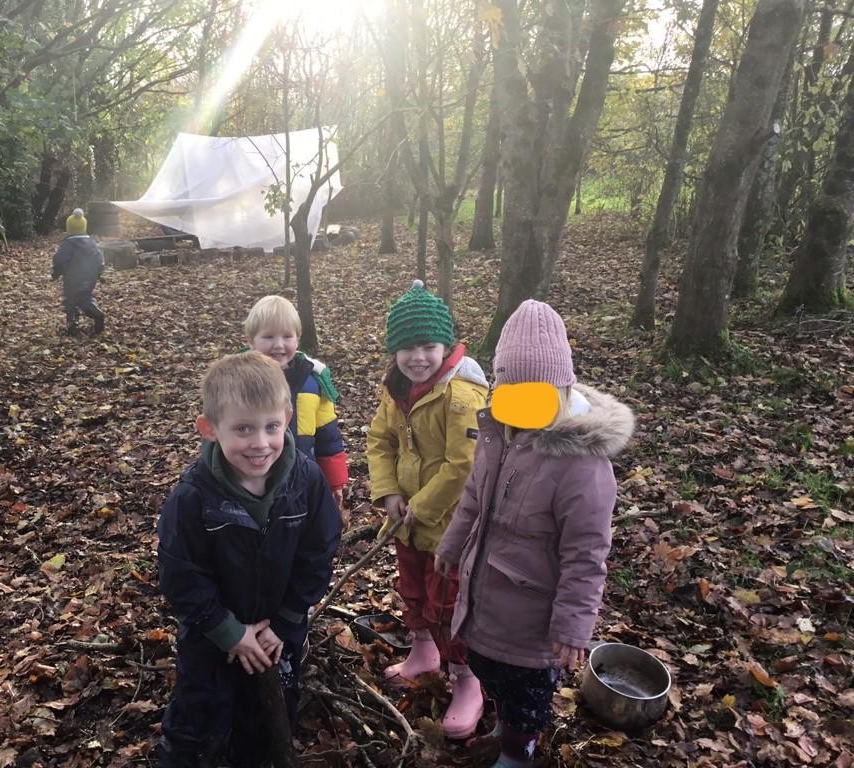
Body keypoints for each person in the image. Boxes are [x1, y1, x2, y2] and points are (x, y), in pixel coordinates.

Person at [434, 300, 635, 767]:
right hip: (488, 600)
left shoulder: (581, 466)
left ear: (560, 389)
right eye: (511, 388)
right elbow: (472, 499)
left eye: (536, 392)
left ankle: (518, 752)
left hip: (534, 621)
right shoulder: (496, 437)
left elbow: (586, 553)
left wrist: (572, 624)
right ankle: (505, 726)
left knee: (526, 697)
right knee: (493, 673)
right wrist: (450, 544)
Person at [156, 351, 342, 768]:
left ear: (288, 419)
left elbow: (320, 549)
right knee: (198, 719)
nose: (260, 443)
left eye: (271, 427)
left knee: (270, 721)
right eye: (242, 429)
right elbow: (180, 572)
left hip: (280, 633)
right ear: (209, 429)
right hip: (211, 638)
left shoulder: (306, 481)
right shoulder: (193, 496)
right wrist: (227, 630)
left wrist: (288, 618)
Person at [366, 279, 489, 739]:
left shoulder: (462, 393)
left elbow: (464, 463)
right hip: (407, 521)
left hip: (451, 526)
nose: (417, 357)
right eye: (406, 348)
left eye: (427, 346)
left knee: (449, 604)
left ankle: (468, 680)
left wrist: (420, 505)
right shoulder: (396, 388)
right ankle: (422, 652)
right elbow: (380, 440)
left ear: (446, 345)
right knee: (413, 587)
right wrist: (390, 492)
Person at [244, 295, 349, 519]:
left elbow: (327, 436)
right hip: (251, 483)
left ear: (298, 339)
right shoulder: (238, 381)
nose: (279, 345)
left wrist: (335, 481)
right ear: (251, 340)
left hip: (303, 480)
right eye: (269, 336)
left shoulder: (313, 383)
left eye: (287, 336)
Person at [51, 207, 104, 336]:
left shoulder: (68, 244)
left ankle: (73, 325)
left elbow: (59, 260)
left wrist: (56, 273)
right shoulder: (91, 243)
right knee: (85, 296)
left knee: (71, 299)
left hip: (72, 278)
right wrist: (99, 273)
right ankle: (95, 311)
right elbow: (99, 258)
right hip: (90, 277)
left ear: (69, 228)